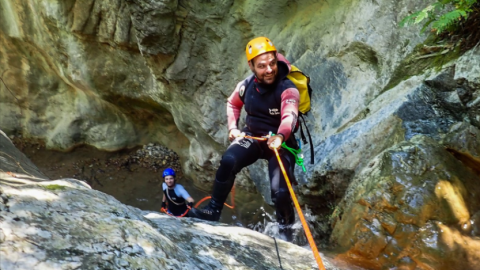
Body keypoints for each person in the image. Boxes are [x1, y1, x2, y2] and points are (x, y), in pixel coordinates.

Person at [189, 37, 300, 240]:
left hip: (280, 144)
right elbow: (232, 104)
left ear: (277, 60)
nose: (269, 70)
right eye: (262, 66)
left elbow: (290, 116)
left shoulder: (288, 88)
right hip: (253, 137)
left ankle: (287, 234)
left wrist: (280, 136)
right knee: (229, 160)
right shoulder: (246, 85)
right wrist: (233, 127)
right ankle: (212, 211)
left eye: (272, 63)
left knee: (281, 193)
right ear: (251, 66)